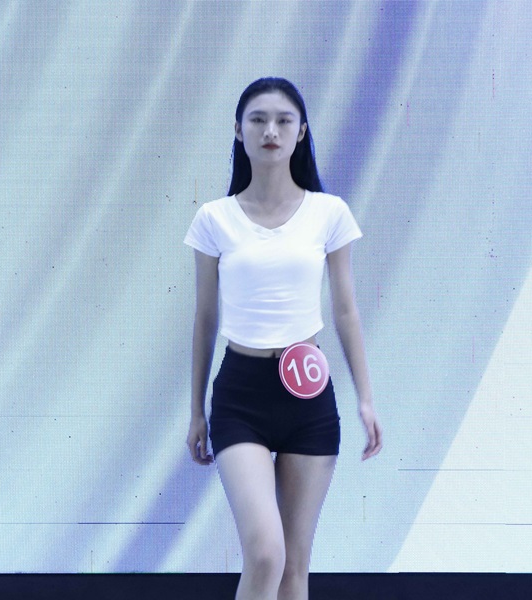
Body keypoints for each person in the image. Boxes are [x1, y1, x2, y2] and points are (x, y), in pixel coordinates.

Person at [184, 77, 382, 600]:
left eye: (283, 120)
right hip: (241, 394)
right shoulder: (214, 218)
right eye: (258, 119)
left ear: (301, 132)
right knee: (265, 552)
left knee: (295, 566)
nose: (270, 130)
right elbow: (205, 318)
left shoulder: (329, 212)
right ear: (238, 130)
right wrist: (196, 410)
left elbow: (345, 310)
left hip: (308, 392)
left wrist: (365, 398)